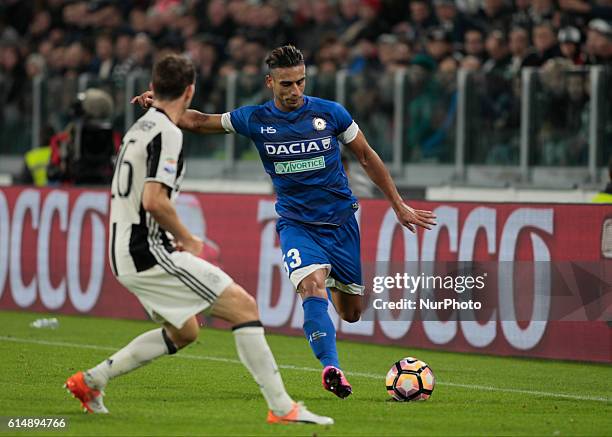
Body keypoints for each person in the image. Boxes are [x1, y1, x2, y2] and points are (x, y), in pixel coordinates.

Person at [132, 45, 436, 399]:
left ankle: (329, 318)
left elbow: (366, 156)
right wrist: (164, 104)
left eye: (300, 82)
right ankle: (331, 367)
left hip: (341, 224)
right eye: (286, 84)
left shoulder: (331, 113)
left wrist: (397, 204)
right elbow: (199, 121)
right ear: (270, 82)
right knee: (311, 287)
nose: (294, 91)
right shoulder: (255, 119)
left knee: (351, 313)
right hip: (297, 225)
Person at [65, 54, 333, 426]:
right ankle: (282, 407)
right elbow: (154, 200)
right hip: (147, 251)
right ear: (190, 90)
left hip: (124, 248)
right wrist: (189, 239)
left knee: (185, 330)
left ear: (154, 89)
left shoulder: (140, 128)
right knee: (244, 307)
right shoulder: (168, 134)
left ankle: (92, 381)